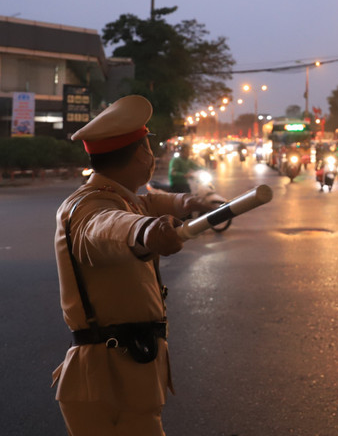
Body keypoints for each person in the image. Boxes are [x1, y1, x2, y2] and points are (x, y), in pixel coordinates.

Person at [54, 95, 214, 435]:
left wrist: (189, 202)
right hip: (111, 380)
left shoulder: (120, 196)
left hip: (121, 372)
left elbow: (149, 201)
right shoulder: (89, 207)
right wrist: (147, 232)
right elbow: (107, 228)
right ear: (143, 154)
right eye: (148, 148)